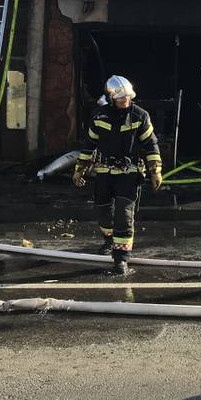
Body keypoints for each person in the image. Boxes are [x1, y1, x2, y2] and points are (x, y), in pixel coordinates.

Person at [72, 75, 163, 276]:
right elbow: (89, 145)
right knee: (103, 211)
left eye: (127, 98)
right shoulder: (99, 117)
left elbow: (151, 144)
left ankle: (121, 259)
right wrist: (79, 169)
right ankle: (109, 239)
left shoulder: (140, 116)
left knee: (124, 215)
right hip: (104, 172)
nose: (125, 102)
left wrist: (156, 170)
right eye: (121, 99)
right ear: (111, 98)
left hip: (128, 174)